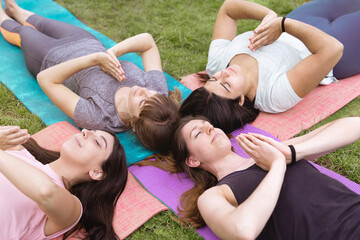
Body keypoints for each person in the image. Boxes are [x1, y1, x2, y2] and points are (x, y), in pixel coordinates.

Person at [0, 0, 181, 153]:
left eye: (142, 102)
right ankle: (15, 9)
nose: (144, 91)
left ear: (134, 124)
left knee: (24, 32)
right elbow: (148, 42)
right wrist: (112, 52)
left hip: (50, 58)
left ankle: (2, 15)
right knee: (42, 22)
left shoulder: (100, 117)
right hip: (85, 41)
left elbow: (46, 79)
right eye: (152, 94)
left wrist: (94, 59)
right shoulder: (157, 94)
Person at [141, 115, 360, 239]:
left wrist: (292, 153)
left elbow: (354, 124)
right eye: (198, 133)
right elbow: (243, 231)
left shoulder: (274, 150)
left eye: (209, 126)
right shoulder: (215, 195)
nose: (209, 129)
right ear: (193, 160)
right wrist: (276, 166)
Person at [180, 0, 360, 133]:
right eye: (225, 85)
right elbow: (332, 49)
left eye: (214, 78)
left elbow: (228, 9)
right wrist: (282, 25)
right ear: (240, 101)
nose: (223, 74)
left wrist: (268, 16)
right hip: (335, 45)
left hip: (299, 20)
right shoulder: (273, 96)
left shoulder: (216, 63)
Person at [0, 125, 128, 239]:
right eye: (90, 130)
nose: (85, 131)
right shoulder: (17, 150)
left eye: (97, 142)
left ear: (96, 172)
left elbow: (45, 191)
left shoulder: (72, 208)